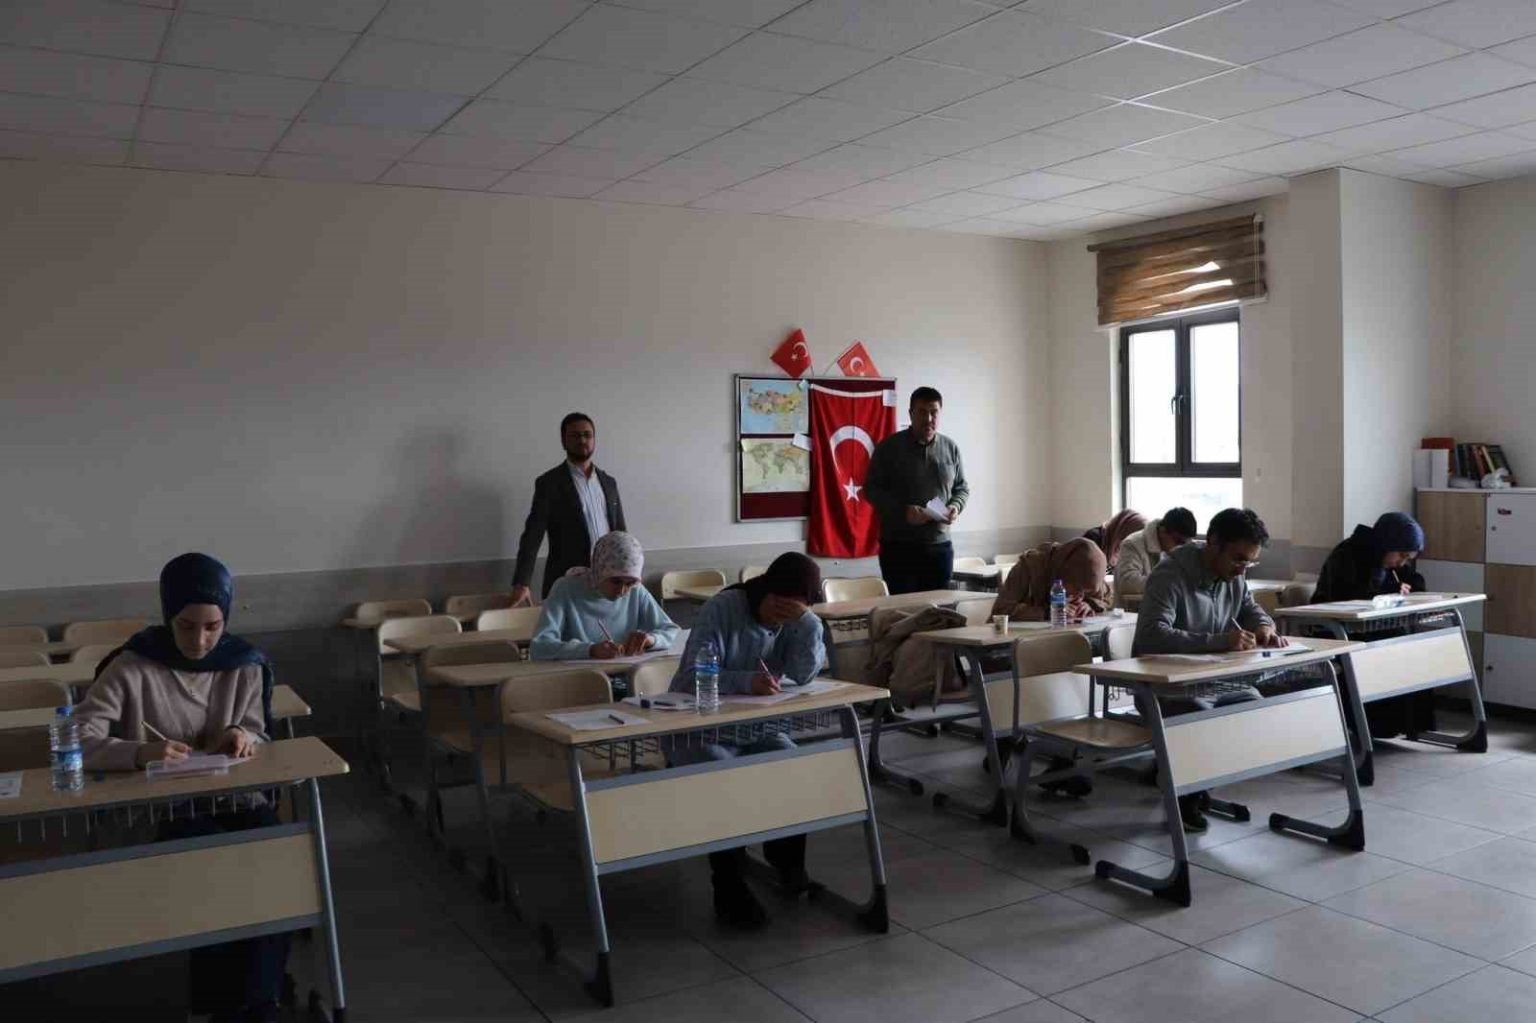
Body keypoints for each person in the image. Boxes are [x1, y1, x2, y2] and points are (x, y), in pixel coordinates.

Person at [75, 553, 285, 1023]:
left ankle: (258, 1000)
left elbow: (259, 730)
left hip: (227, 794)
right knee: (211, 860)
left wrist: (241, 734)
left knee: (272, 845)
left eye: (212, 627)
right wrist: (139, 752)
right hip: (158, 806)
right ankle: (214, 1002)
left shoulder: (244, 663)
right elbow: (79, 739)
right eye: (186, 626)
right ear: (168, 615)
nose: (200, 640)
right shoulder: (131, 666)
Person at [669, 553, 827, 928]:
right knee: (723, 777)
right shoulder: (723, 608)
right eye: (778, 607)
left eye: (793, 612)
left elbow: (804, 674)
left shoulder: (796, 621)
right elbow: (691, 676)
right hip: (700, 728)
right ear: (766, 591)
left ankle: (786, 861)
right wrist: (745, 682)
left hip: (756, 728)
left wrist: (808, 623)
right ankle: (727, 883)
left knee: (791, 764)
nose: (779, 619)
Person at [1133, 508, 1286, 833]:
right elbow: (1150, 637)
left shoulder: (1234, 575)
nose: (1242, 568)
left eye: (1249, 563)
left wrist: (1264, 626)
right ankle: (1184, 792)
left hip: (1214, 679)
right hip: (1164, 688)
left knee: (1255, 710)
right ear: (1213, 543)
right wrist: (1219, 641)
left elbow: (1251, 609)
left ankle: (1190, 781)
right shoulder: (1170, 574)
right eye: (1238, 559)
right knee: (1200, 718)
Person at [1313, 511, 1434, 738]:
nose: (1402, 562)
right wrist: (1388, 591)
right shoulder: (1347, 555)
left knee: (1415, 647)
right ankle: (1374, 726)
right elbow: (1347, 598)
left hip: (1371, 628)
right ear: (1388, 543)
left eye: (1407, 558)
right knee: (1393, 647)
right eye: (1402, 555)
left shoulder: (1386, 557)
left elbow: (1414, 580)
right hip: (1337, 630)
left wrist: (1408, 586)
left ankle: (1405, 725)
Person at [511, 412, 627, 604]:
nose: (582, 440)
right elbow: (532, 536)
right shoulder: (549, 483)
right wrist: (521, 582)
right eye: (575, 435)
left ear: (594, 440)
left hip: (608, 583)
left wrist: (629, 573)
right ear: (563, 441)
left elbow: (621, 534)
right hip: (566, 583)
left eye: (587, 435)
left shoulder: (609, 483)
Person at [864, 386, 970, 594]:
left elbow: (961, 488)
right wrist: (903, 511)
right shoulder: (888, 448)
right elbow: (871, 490)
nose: (928, 418)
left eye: (934, 412)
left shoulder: (951, 448)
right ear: (911, 414)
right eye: (922, 412)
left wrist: (955, 507)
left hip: (939, 546)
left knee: (939, 609)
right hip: (899, 548)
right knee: (903, 609)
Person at [529, 531, 679, 661]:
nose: (622, 591)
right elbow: (539, 647)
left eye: (630, 583)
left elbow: (671, 631)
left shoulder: (636, 590)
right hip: (578, 678)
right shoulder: (566, 589)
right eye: (615, 581)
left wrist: (651, 640)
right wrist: (590, 650)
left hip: (625, 674)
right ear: (599, 571)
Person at [992, 538, 1112, 622]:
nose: (1080, 596)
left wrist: (1090, 605)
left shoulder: (1090, 574)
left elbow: (1107, 598)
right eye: (1077, 588)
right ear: (1065, 573)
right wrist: (1048, 612)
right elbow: (1001, 611)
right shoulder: (1029, 567)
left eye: (1086, 591)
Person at [1114, 507, 1199, 604]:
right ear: (1163, 531)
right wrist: (1170, 582)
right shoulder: (1132, 544)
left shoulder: (1182, 549)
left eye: (1185, 544)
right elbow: (1127, 583)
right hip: (1134, 610)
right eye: (1178, 541)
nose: (1181, 548)